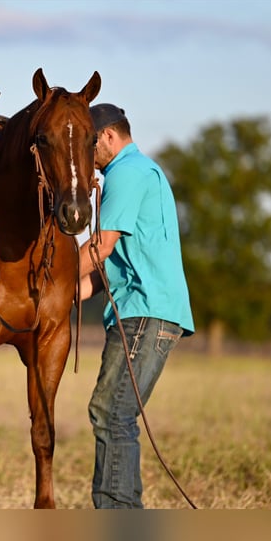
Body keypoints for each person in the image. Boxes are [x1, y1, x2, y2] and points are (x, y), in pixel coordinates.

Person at [79, 103, 195, 508]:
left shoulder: (126, 174)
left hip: (144, 314)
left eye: (87, 146)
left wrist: (43, 272)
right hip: (148, 311)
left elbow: (99, 248)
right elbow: (107, 269)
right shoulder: (143, 171)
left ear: (108, 137)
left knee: (112, 413)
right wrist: (54, 295)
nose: (84, 158)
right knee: (115, 413)